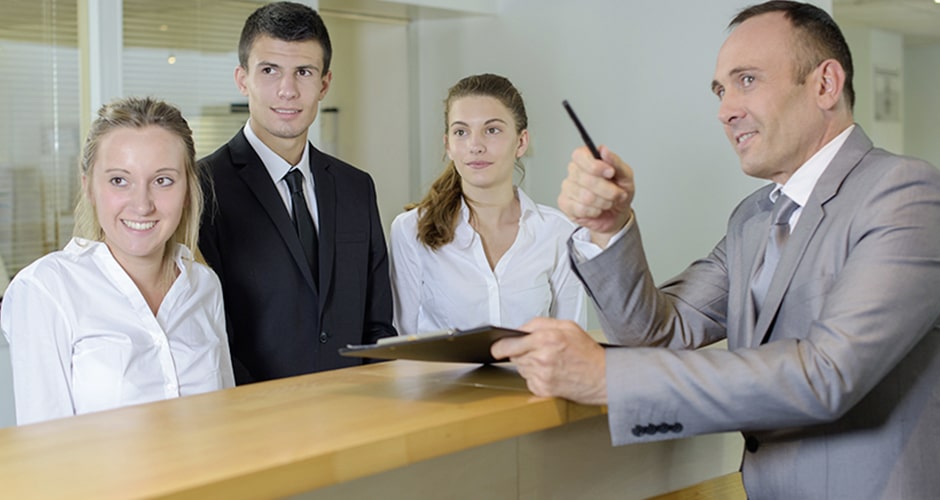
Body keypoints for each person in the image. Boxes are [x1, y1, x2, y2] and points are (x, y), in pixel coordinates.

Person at [491, 1, 940, 497]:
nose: (726, 109)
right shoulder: (754, 218)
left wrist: (609, 378)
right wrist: (609, 228)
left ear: (825, 84)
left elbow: (826, 374)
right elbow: (661, 332)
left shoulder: (906, 193)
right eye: (720, 90)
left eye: (747, 80)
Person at [0, 97, 235, 425]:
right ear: (89, 188)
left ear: (187, 191)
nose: (142, 205)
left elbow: (225, 424)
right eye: (119, 181)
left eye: (163, 180)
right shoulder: (46, 290)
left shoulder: (204, 285)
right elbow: (44, 452)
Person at [199, 1, 395, 384]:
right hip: (256, 424)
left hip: (355, 415)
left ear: (324, 84)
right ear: (242, 79)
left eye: (303, 72)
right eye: (270, 70)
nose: (287, 90)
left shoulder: (356, 187)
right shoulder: (203, 187)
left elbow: (377, 324)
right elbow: (211, 335)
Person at [390, 74, 585, 335]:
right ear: (448, 145)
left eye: (492, 130)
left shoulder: (560, 233)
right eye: (461, 132)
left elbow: (572, 343)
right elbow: (402, 345)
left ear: (521, 142)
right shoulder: (410, 230)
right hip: (440, 378)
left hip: (531, 377)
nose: (475, 145)